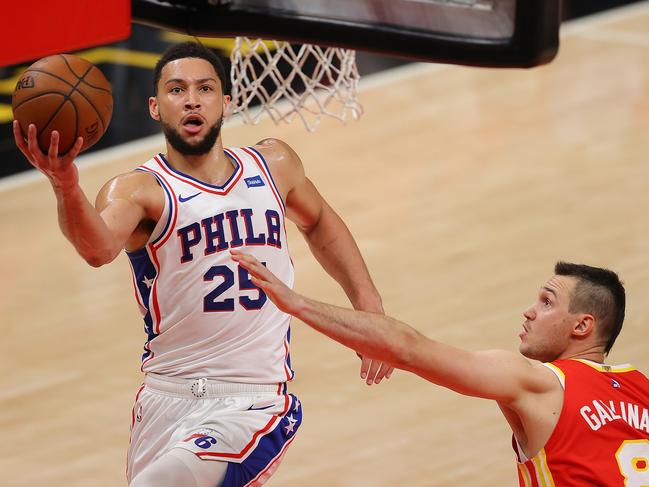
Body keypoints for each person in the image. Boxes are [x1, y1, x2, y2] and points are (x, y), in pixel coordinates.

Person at [13, 41, 392, 487]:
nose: (192, 99)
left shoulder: (273, 164)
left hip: (252, 404)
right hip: (164, 400)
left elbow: (321, 223)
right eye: (176, 90)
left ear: (226, 102)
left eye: (205, 88)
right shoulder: (138, 191)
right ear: (155, 107)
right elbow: (96, 248)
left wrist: (369, 308)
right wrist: (65, 184)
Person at [232, 251, 649, 486]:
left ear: (582, 325)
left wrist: (298, 304)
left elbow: (409, 350)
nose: (528, 312)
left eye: (546, 302)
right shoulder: (641, 389)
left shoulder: (541, 383)